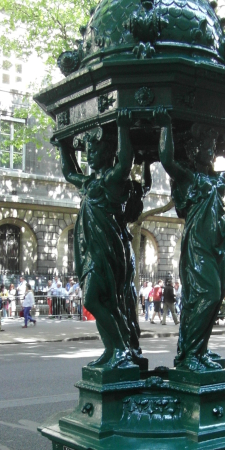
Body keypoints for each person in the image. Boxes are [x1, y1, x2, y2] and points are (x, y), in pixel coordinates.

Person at [157, 107, 225, 369]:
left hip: (219, 245)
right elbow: (167, 160)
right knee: (206, 295)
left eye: (213, 145)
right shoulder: (191, 178)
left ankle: (198, 350)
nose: (210, 150)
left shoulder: (217, 180)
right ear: (192, 150)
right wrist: (165, 124)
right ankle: (189, 355)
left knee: (214, 296)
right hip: (199, 245)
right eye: (204, 145)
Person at [55, 111, 134, 368]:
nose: (89, 152)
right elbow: (69, 173)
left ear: (108, 151)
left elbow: (125, 163)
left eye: (95, 147)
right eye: (87, 147)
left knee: (93, 299)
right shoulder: (89, 182)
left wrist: (122, 127)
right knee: (101, 301)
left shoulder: (111, 180)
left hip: (106, 251)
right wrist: (63, 146)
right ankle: (113, 350)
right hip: (91, 250)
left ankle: (120, 348)